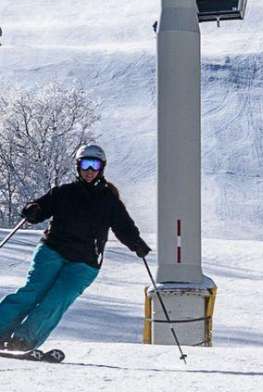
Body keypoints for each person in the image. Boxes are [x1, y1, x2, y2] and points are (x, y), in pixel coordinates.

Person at [0, 144, 150, 351]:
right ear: (78, 166)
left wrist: (137, 244)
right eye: (85, 164)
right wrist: (32, 210)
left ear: (101, 168)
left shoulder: (109, 200)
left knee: (56, 301)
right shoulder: (64, 192)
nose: (89, 170)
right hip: (53, 251)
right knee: (32, 292)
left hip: (85, 262)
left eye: (94, 165)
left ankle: (23, 341)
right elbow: (40, 208)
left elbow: (124, 227)